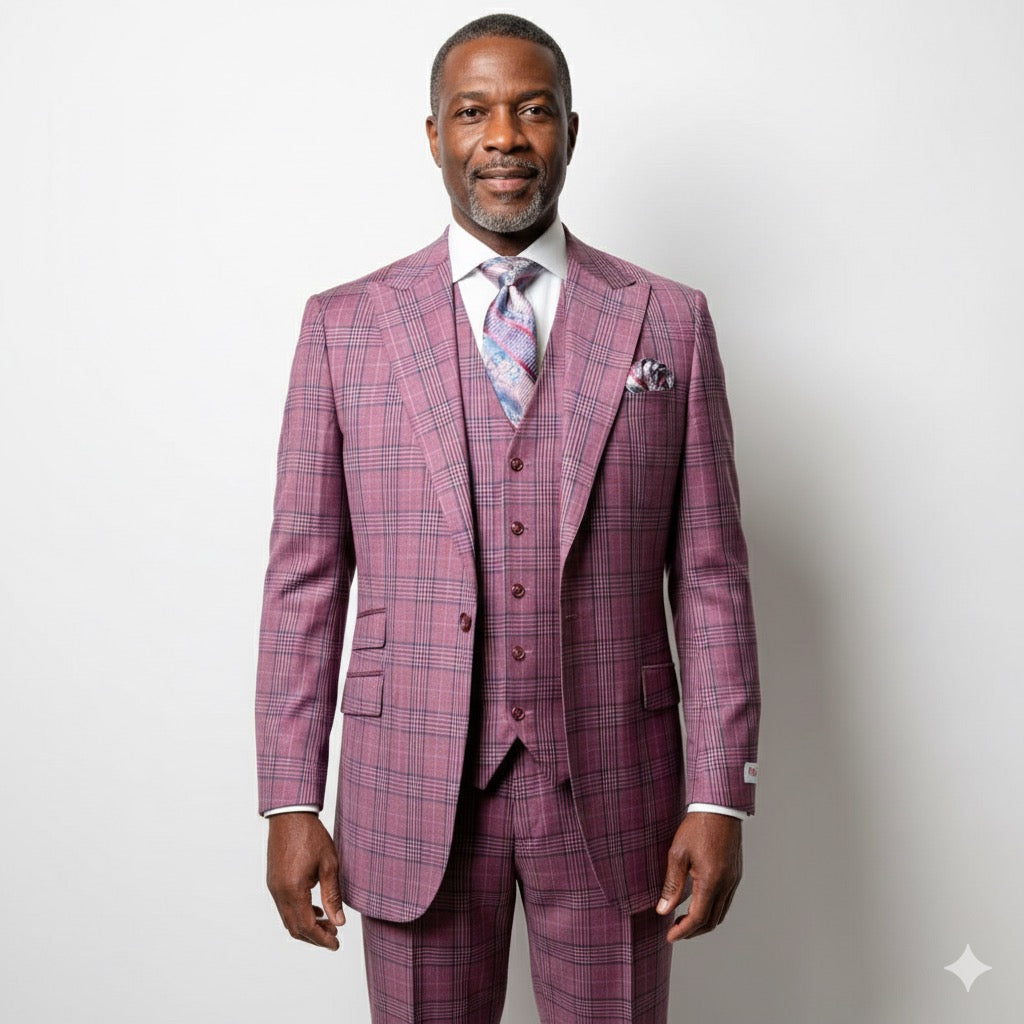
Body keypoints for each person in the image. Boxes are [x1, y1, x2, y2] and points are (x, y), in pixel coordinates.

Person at [255, 13, 760, 1023]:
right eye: (474, 112)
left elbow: (709, 575)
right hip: (409, 792)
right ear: (434, 133)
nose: (504, 138)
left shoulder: (668, 321)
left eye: (532, 111)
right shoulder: (344, 327)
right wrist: (288, 795)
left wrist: (720, 792)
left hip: (617, 789)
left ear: (571, 129)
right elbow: (305, 577)